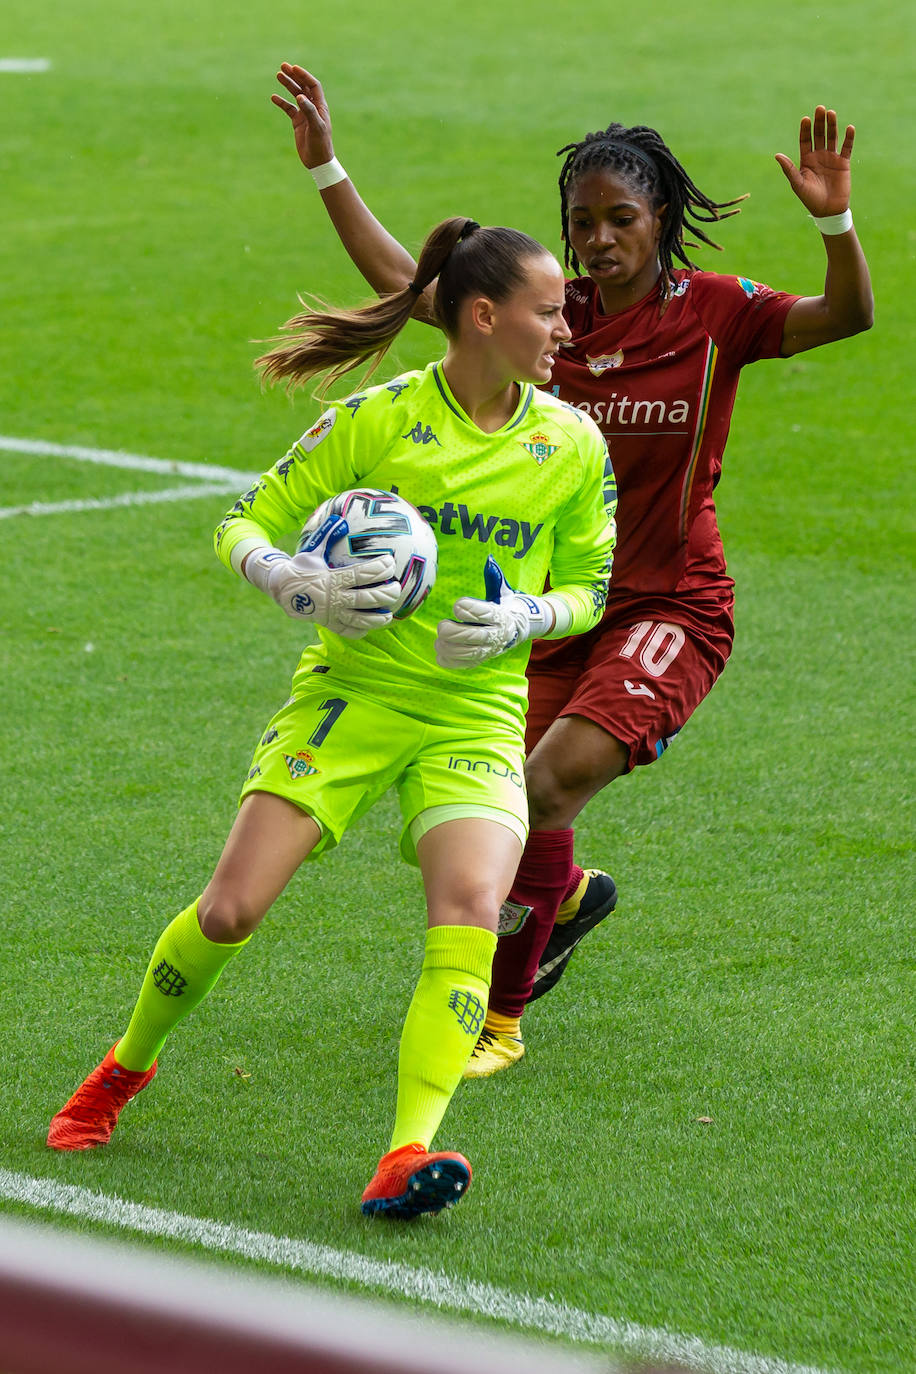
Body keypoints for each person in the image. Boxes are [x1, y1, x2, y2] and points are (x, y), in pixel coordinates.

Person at [270, 64, 874, 1075]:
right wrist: (326, 165)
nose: (599, 238)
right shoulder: (553, 322)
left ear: (661, 216)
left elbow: (845, 316)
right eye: (581, 220)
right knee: (508, 810)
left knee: (547, 784)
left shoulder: (718, 312)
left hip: (670, 605)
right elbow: (408, 286)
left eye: (619, 218)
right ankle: (570, 893)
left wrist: (835, 224)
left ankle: (500, 1023)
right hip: (551, 611)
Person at [46, 217, 617, 1219]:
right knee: (230, 912)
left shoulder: (569, 443)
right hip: (353, 700)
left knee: (472, 909)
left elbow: (588, 587)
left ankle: (406, 1153)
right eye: (547, 310)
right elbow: (244, 521)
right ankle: (122, 1071)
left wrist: (530, 615)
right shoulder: (377, 420)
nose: (564, 327)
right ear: (483, 317)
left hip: (476, 714)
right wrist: (294, 584)